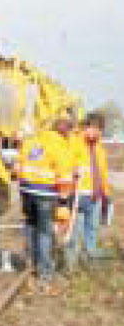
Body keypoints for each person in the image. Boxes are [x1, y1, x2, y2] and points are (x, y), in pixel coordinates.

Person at [16, 110, 75, 287]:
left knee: (31, 228)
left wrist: (24, 189)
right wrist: (64, 203)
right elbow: (65, 177)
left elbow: (18, 167)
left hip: (27, 192)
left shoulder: (32, 141)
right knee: (44, 232)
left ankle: (32, 265)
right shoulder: (59, 145)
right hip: (46, 194)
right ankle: (45, 273)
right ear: (64, 131)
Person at [66, 113, 111, 270]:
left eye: (98, 130)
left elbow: (103, 172)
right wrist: (74, 171)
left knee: (92, 229)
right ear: (85, 128)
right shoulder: (74, 143)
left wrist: (106, 194)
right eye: (92, 128)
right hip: (78, 194)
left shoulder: (100, 149)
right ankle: (71, 265)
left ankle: (89, 260)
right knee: (75, 231)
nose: (95, 133)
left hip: (95, 196)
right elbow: (67, 164)